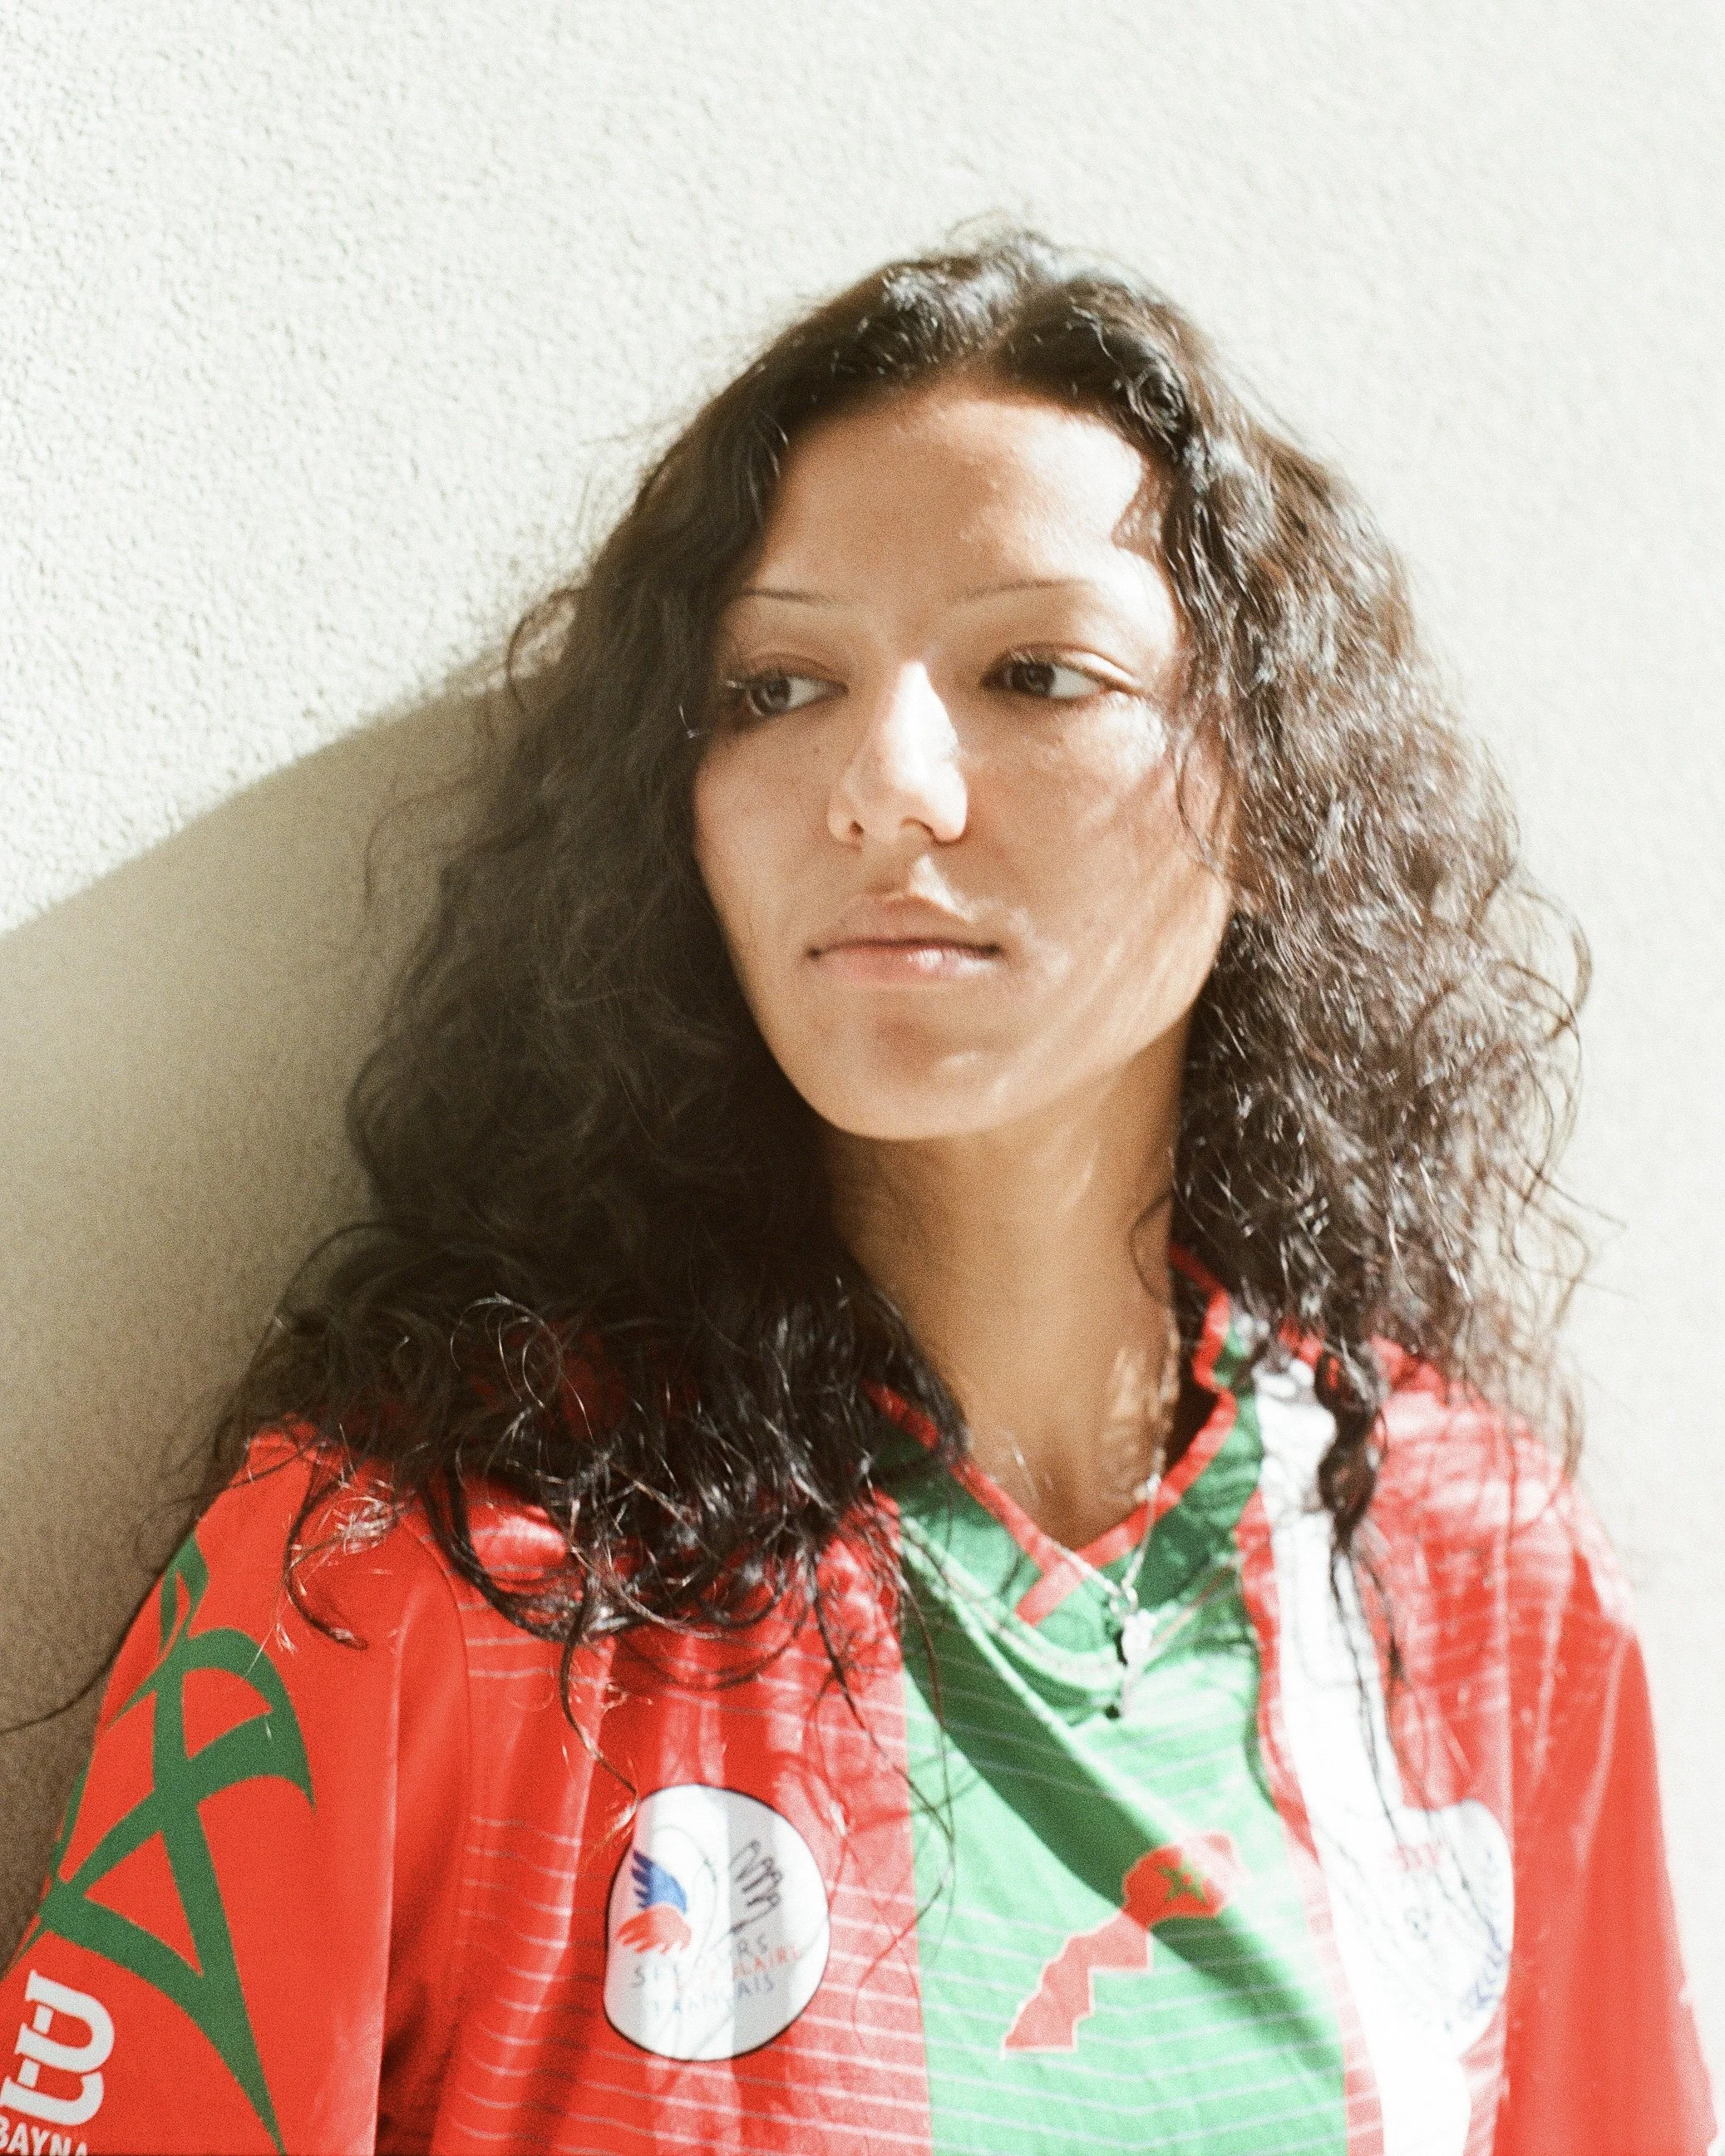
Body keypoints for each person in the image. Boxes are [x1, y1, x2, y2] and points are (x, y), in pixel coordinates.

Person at [0, 234, 1711, 2156]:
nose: (884, 783)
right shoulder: (407, 1577)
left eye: (1035, 672)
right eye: (777, 684)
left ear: (1265, 783)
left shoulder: (1470, 1571)